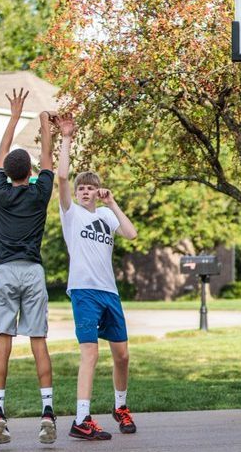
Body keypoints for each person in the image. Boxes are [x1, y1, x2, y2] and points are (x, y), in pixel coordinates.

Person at [55, 114, 139, 441]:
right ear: (76, 193)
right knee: (90, 352)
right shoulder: (70, 214)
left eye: (90, 188)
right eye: (82, 188)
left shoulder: (105, 214)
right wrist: (66, 138)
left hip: (109, 292)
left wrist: (113, 202)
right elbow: (61, 178)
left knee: (123, 355)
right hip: (84, 292)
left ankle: (120, 408)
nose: (85, 192)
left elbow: (131, 233)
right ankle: (81, 419)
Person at [0, 88, 57, 445]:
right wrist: (46, 123)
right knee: (38, 341)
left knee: (4, 342)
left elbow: (1, 157)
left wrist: (14, 116)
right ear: (30, 173)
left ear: (8, 173)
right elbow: (48, 158)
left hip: (4, 272)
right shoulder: (39, 192)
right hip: (32, 271)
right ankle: (47, 413)